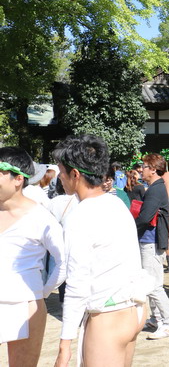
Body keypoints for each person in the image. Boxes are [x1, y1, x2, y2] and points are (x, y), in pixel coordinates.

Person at [53, 135, 147, 367]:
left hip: (107, 316)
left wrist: (65, 344)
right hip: (134, 308)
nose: (60, 178)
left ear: (75, 174)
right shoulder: (116, 203)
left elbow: (77, 283)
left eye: (61, 172)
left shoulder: (81, 215)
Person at [0, 147, 65, 367]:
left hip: (25, 306)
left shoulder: (41, 217)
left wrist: (41, 293)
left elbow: (63, 261)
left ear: (18, 178)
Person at [134, 154, 169, 339]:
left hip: (151, 241)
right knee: (150, 282)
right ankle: (156, 319)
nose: (140, 169)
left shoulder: (155, 189)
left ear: (153, 169)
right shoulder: (155, 187)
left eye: (144, 166)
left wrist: (129, 229)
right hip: (150, 240)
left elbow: (145, 217)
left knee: (154, 285)